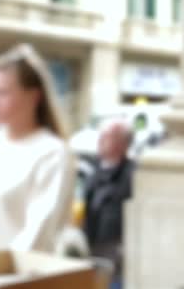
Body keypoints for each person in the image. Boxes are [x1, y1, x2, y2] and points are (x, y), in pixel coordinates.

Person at [0, 44, 75, 253]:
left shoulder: (52, 153)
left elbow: (38, 235)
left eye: (2, 92)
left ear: (34, 96)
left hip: (22, 279)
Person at [83, 120, 135, 285]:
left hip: (117, 252)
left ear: (123, 144)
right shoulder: (94, 169)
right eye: (101, 135)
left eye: (108, 136)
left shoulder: (132, 174)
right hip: (92, 246)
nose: (101, 139)